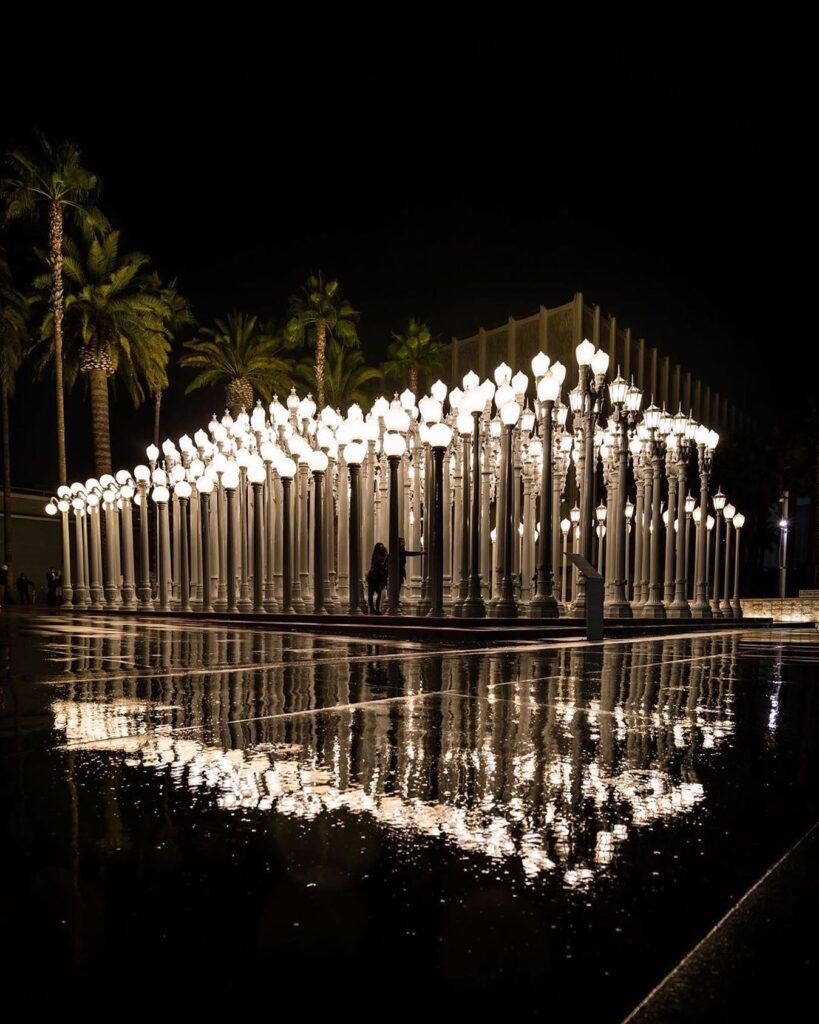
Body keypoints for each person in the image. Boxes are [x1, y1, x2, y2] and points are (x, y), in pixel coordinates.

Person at [366, 542, 389, 615]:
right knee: (372, 593)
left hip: (376, 577)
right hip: (373, 577)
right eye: (380, 547)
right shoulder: (377, 557)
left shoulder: (380, 556)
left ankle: (375, 609)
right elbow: (379, 565)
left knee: (378, 593)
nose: (382, 548)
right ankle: (373, 609)